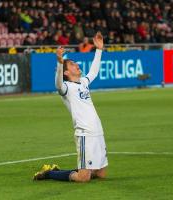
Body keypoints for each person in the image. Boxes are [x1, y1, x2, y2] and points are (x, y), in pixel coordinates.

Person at [33, 32, 108, 183]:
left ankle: (74, 170)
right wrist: (60, 62)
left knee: (100, 174)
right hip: (85, 133)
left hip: (98, 131)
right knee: (83, 178)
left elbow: (93, 71)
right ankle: (50, 173)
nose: (77, 65)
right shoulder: (66, 88)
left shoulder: (84, 82)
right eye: (73, 64)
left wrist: (99, 50)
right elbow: (58, 84)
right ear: (66, 72)